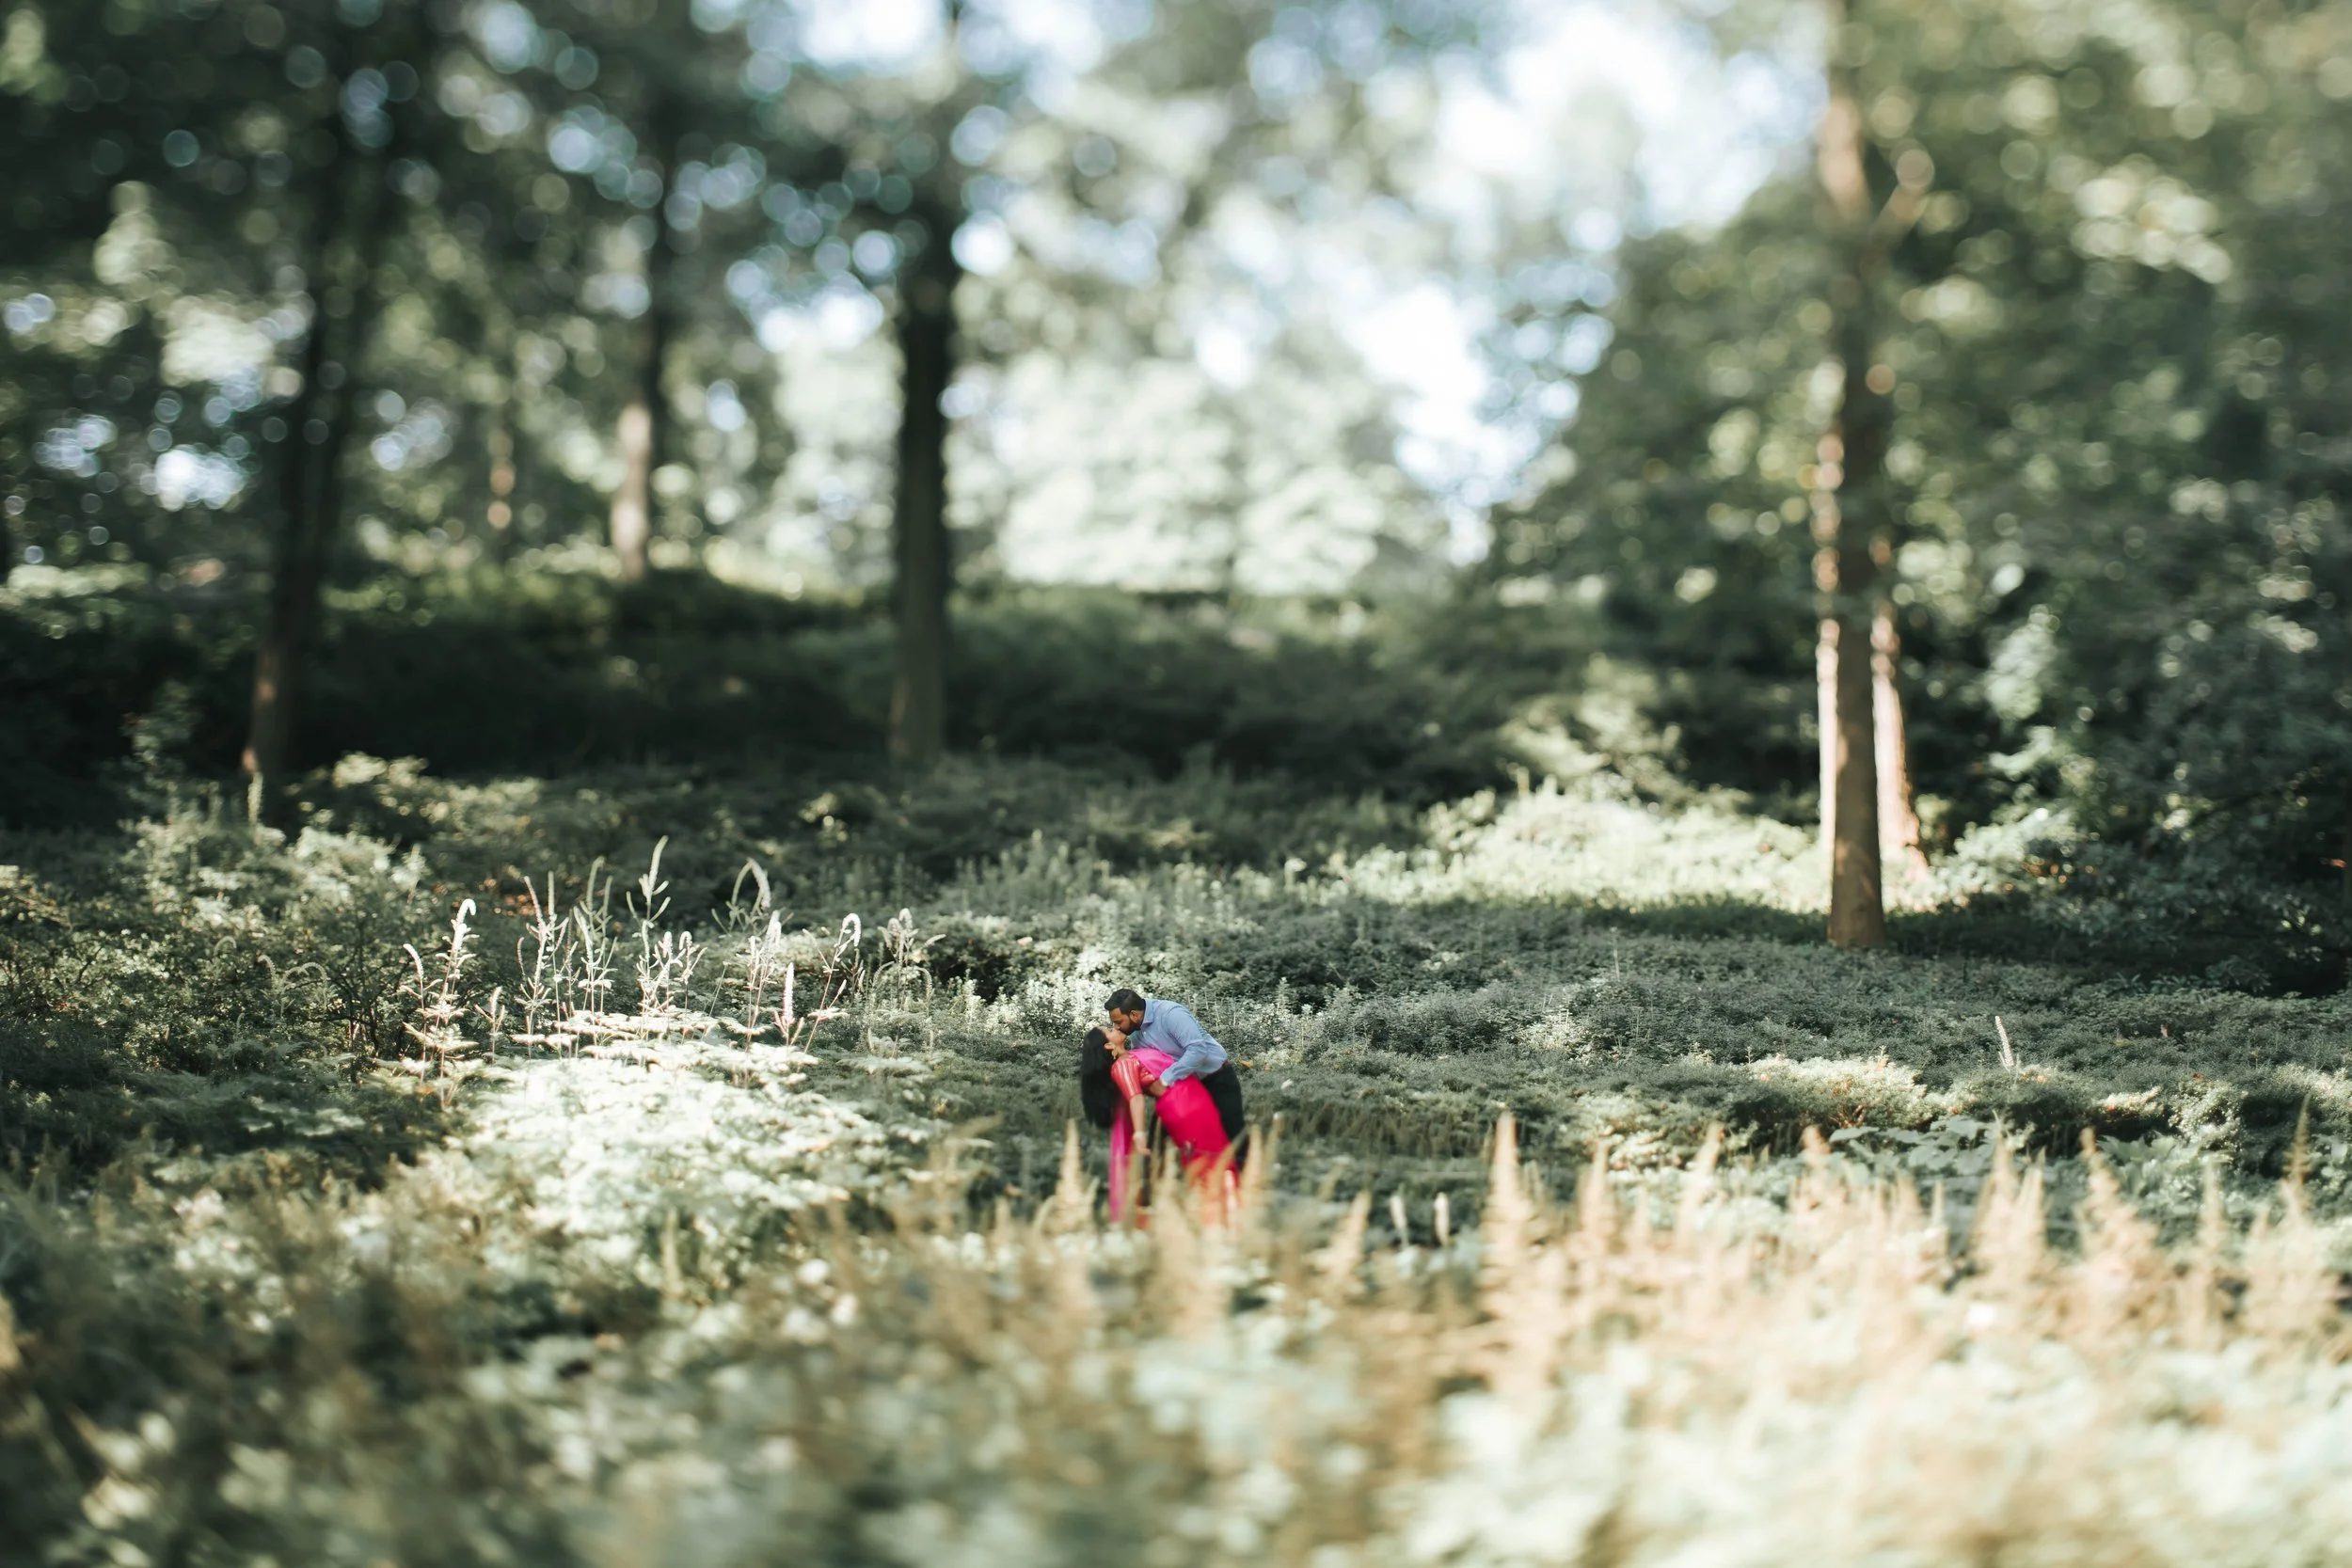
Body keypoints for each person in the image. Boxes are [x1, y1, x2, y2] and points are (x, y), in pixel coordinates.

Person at [1077, 1024, 1231, 1222]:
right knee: (1204, 1158)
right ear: (1108, 1045)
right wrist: (1139, 1135)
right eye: (1109, 1030)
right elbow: (1135, 1098)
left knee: (1216, 1154)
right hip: (1181, 1107)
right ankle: (1213, 1215)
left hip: (1195, 1099)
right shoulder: (1122, 1066)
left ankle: (1223, 1210)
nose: (1115, 1027)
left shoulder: (1134, 1053)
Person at [1104, 988, 1247, 1153]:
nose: (1116, 1027)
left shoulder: (1170, 1013)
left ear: (1134, 1014)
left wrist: (1166, 1079)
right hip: (1181, 1088)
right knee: (1158, 1139)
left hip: (1215, 1078)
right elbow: (1147, 1062)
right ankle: (1156, 1167)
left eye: (1118, 1022)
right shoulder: (1135, 1031)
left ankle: (1245, 1166)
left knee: (1233, 1135)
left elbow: (1198, 1050)